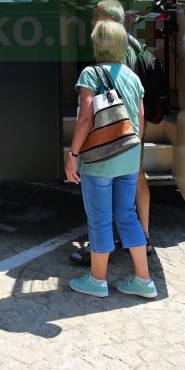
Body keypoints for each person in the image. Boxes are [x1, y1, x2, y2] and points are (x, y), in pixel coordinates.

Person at [65, 19, 156, 299]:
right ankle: (144, 281)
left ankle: (97, 281)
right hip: (129, 157)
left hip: (99, 159)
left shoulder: (90, 74)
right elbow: (139, 121)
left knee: (100, 220)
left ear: (97, 44)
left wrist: (73, 155)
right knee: (127, 216)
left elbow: (86, 118)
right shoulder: (133, 77)